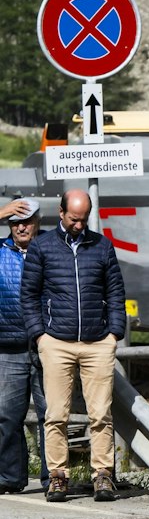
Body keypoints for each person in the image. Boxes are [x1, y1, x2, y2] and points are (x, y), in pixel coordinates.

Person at [21, 188, 126, 502]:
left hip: (98, 342)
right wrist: (40, 335)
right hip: (56, 342)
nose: (79, 225)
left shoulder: (102, 246)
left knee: (101, 415)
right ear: (62, 212)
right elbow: (29, 296)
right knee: (56, 415)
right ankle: (57, 477)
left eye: (84, 220)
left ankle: (103, 476)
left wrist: (114, 334)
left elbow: (116, 293)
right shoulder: (42, 247)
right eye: (73, 219)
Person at [0, 196, 50, 492]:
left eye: (26, 221)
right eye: (14, 221)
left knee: (51, 415)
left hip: (47, 344)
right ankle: (10, 478)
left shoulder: (50, 248)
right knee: (7, 415)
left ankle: (52, 478)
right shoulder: (1, 250)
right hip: (7, 345)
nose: (20, 227)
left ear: (37, 222)